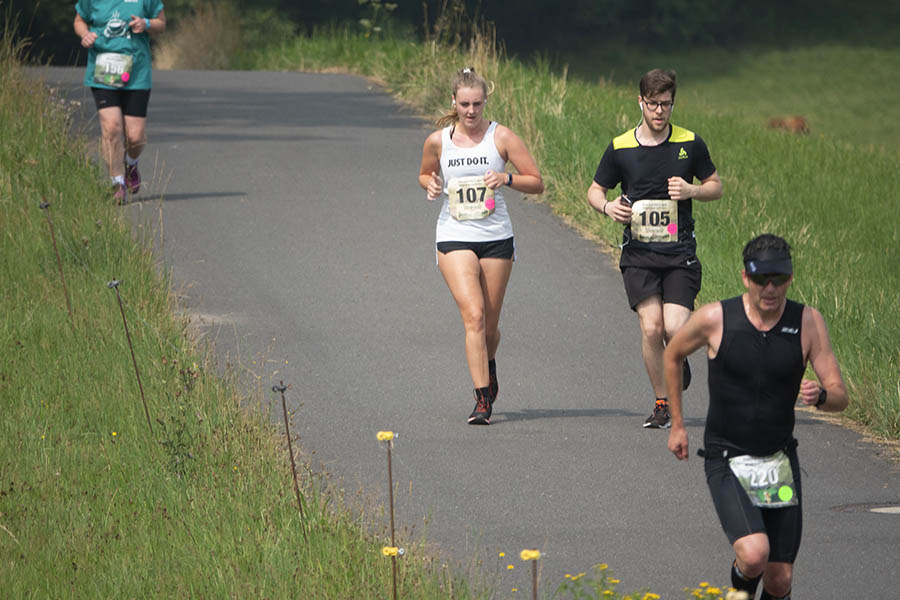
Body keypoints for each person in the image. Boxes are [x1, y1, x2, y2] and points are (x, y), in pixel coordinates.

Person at [664, 234, 848, 600]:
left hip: (778, 459)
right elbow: (672, 354)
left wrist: (822, 395)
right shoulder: (717, 318)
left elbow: (840, 397)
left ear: (790, 279)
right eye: (761, 279)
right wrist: (678, 424)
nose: (770, 288)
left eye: (778, 279)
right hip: (727, 458)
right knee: (753, 555)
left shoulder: (808, 322)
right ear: (746, 278)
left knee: (779, 579)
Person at [587, 68, 722, 429]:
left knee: (674, 329)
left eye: (667, 104)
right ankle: (662, 403)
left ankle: (677, 355)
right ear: (640, 102)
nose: (660, 112)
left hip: (679, 255)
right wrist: (607, 207)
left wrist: (693, 191)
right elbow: (594, 190)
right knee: (651, 328)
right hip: (639, 255)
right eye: (653, 104)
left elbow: (715, 185)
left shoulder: (690, 143)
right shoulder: (621, 147)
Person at [418, 67, 544, 425]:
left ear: (485, 101)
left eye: (477, 104)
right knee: (473, 316)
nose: (471, 111)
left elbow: (537, 183)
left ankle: (488, 363)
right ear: (453, 103)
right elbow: (425, 172)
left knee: (488, 325)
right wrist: (430, 184)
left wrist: (506, 178)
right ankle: (482, 400)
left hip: (496, 236)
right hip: (454, 234)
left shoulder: (501, 137)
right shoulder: (438, 141)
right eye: (464, 105)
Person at [74, 0, 166, 203]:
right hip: (103, 71)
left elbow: (162, 23)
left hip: (137, 72)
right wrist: (85, 35)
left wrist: (146, 24)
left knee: (135, 137)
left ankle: (131, 164)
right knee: (112, 127)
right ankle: (117, 183)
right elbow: (79, 21)